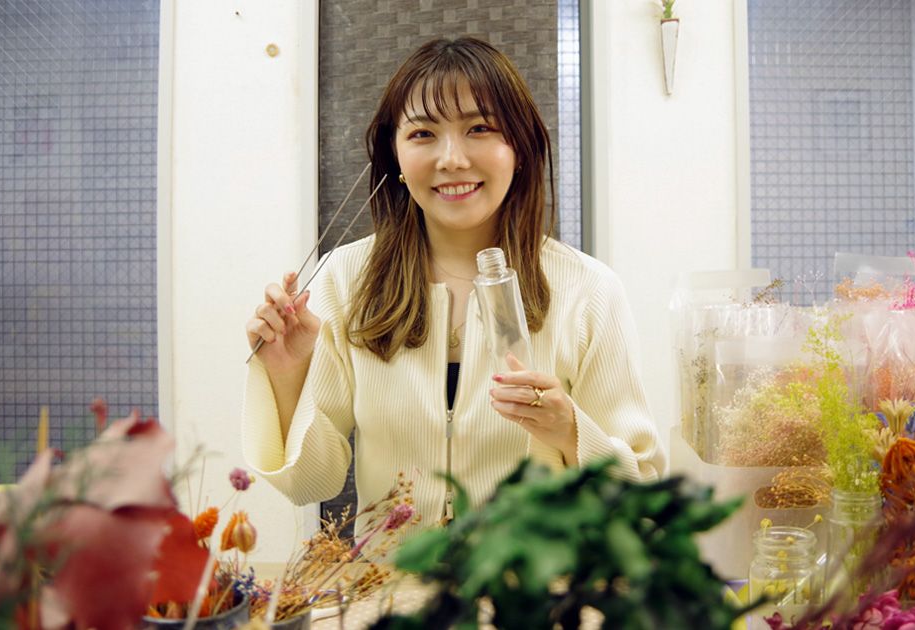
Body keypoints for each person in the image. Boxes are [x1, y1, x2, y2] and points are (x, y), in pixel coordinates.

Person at [242, 37, 663, 527]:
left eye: (479, 128)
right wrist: (289, 375)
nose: (452, 159)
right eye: (423, 134)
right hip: (390, 583)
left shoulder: (588, 291)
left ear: (520, 149)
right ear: (395, 156)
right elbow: (311, 485)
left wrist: (569, 429)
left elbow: (646, 502)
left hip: (534, 593)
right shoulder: (344, 279)